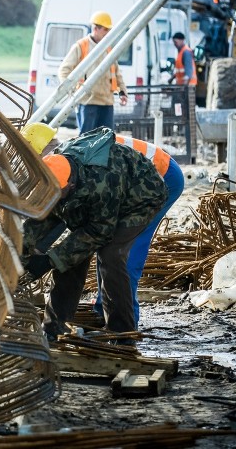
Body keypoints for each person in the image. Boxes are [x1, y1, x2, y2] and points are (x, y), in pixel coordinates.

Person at [21, 122, 185, 328]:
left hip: (154, 185)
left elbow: (98, 232)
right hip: (121, 181)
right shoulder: (57, 167)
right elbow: (46, 217)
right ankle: (57, 324)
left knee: (113, 254)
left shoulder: (98, 183)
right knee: (74, 254)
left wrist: (49, 261)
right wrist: (22, 247)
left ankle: (123, 326)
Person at [58, 11, 128, 134]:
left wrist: (122, 92)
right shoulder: (81, 46)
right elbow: (64, 70)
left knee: (106, 140)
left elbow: (116, 73)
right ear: (95, 28)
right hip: (88, 102)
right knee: (86, 139)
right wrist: (72, 91)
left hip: (107, 102)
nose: (108, 33)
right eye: (105, 30)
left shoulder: (108, 48)